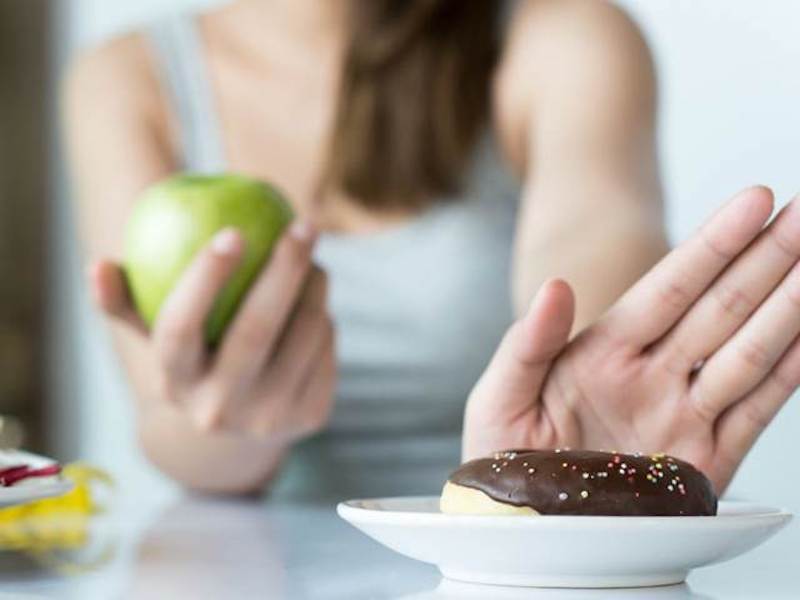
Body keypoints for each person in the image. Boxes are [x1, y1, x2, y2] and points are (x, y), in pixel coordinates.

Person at [63, 0, 799, 499]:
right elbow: (168, 431)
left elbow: (594, 230)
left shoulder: (563, 37)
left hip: (518, 554)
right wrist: (238, 426)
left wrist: (593, 404)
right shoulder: (126, 78)